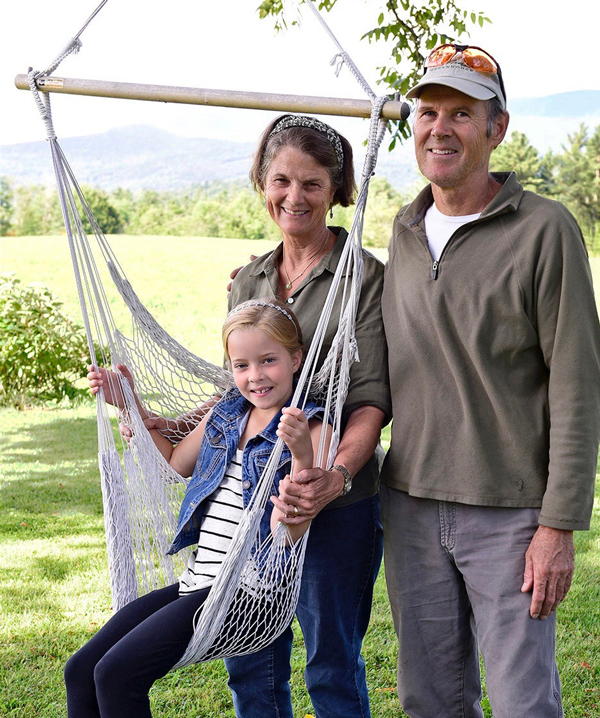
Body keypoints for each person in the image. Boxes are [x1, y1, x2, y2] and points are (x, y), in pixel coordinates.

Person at [380, 43, 600, 717]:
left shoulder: (545, 230)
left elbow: (577, 384)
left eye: (461, 114)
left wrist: (558, 525)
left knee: (522, 702)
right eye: (427, 112)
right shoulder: (406, 229)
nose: (439, 128)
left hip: (509, 514)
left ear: (495, 128)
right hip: (411, 506)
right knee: (431, 701)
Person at [64, 300, 332, 718]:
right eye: (241, 365)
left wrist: (300, 455)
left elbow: (292, 530)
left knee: (117, 674)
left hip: (249, 592)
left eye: (268, 361)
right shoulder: (227, 413)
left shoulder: (312, 427)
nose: (255, 376)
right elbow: (171, 465)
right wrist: (129, 404)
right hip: (199, 582)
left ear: (296, 358)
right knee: (81, 670)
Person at [223, 114, 391, 718]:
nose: (294, 197)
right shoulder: (250, 280)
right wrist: (173, 424)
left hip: (338, 503)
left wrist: (336, 478)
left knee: (330, 663)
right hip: (256, 498)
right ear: (263, 183)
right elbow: (242, 387)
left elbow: (371, 398)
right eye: (281, 180)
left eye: (313, 183)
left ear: (335, 190)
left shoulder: (365, 278)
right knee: (248, 657)